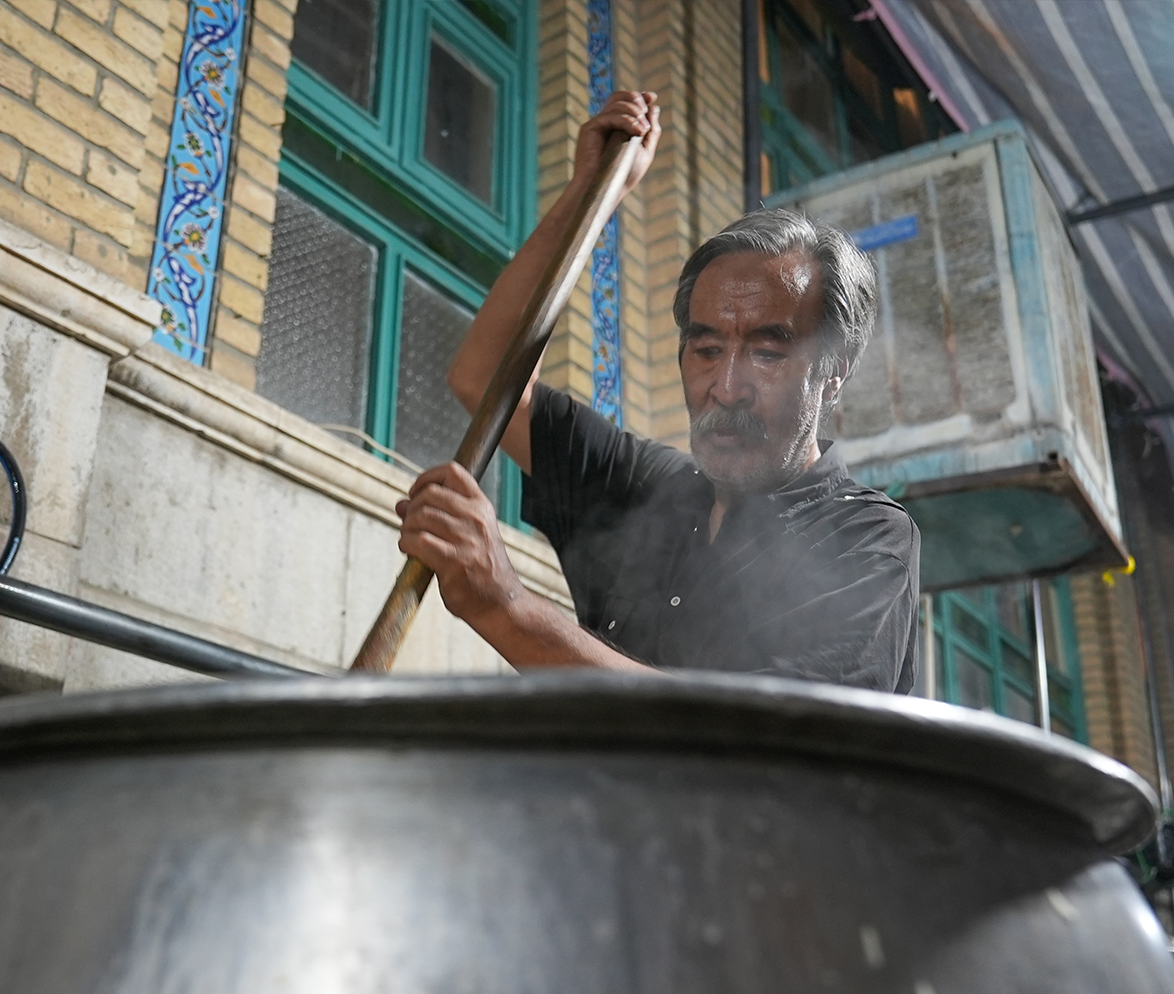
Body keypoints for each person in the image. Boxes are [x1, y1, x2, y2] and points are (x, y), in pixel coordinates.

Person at [392, 90, 920, 692]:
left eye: (769, 353)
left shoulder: (868, 541)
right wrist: (592, 194)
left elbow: (770, 743)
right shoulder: (643, 490)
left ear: (834, 372)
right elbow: (486, 376)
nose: (726, 387)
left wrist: (508, 608)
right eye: (706, 349)